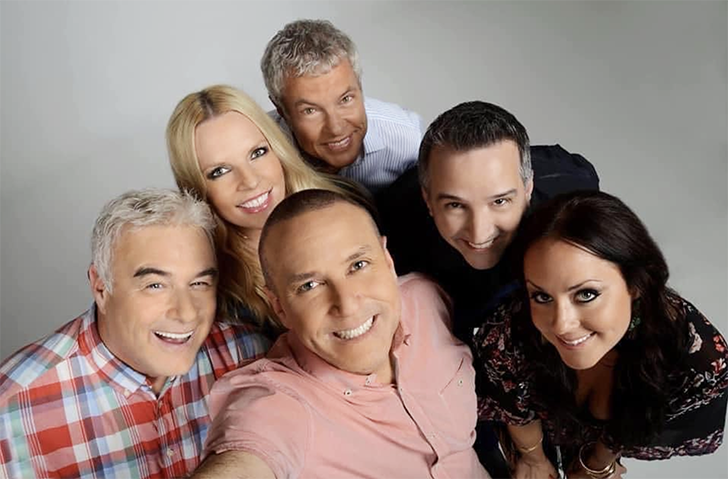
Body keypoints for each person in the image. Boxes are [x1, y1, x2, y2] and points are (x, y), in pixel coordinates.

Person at [191, 189, 490, 478]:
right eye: (309, 286)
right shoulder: (277, 403)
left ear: (388, 262)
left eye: (358, 265)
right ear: (279, 307)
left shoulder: (425, 300)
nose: (346, 305)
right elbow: (247, 454)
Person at [377, 100, 600, 478]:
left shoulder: (571, 194)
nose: (480, 232)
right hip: (460, 346)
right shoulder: (396, 223)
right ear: (428, 200)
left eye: (500, 201)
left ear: (528, 188)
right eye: (455, 205)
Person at [0, 189, 269, 479]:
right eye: (155, 285)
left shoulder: (251, 357)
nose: (186, 313)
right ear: (101, 288)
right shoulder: (11, 411)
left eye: (199, 284)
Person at [474, 190, 728, 479]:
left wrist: (597, 463)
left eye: (586, 294)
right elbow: (512, 407)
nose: (561, 325)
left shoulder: (697, 364)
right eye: (542, 296)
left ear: (636, 285)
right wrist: (533, 459)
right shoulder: (508, 335)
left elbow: (634, 424)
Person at [167, 84, 354, 334]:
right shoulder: (219, 297)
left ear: (277, 149)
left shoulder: (349, 202)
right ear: (197, 189)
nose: (250, 181)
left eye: (257, 153)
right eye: (219, 171)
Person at [261, 19, 423, 193]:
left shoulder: (408, 139)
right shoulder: (258, 150)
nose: (336, 128)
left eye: (345, 99)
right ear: (281, 110)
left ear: (360, 87)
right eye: (310, 110)